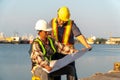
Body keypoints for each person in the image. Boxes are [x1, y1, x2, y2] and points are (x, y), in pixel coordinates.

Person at [50, 6, 92, 80]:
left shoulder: (71, 24)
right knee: (56, 75)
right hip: (55, 54)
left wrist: (86, 45)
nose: (62, 22)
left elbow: (79, 35)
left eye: (64, 20)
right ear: (57, 15)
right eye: (61, 20)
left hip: (69, 54)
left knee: (72, 73)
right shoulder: (52, 22)